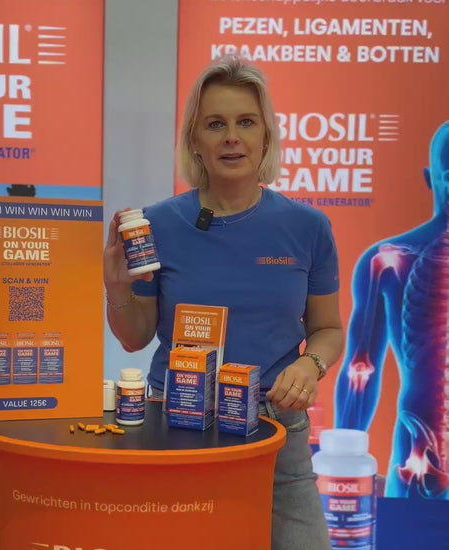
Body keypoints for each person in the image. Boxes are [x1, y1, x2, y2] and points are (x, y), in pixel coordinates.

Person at [104, 56, 344, 550]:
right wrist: (116, 289)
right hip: (177, 422)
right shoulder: (156, 224)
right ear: (195, 139)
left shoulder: (308, 227)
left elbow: (328, 328)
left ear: (266, 136)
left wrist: (311, 365)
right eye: (216, 124)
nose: (232, 137)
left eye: (246, 122)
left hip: (276, 429)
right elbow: (134, 338)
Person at [335, 121, 449, 500]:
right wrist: (344, 474)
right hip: (419, 457)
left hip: (418, 451)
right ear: (430, 179)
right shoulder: (387, 261)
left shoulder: (388, 261)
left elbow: (360, 368)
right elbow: (361, 368)